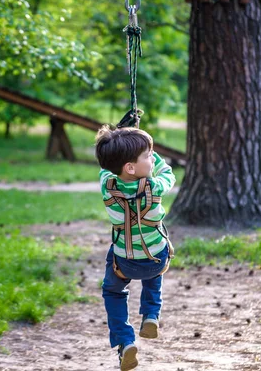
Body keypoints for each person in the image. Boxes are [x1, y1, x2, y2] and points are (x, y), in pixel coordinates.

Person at [95, 125, 176, 371]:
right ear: (131, 167)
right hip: (155, 259)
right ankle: (151, 315)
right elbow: (168, 172)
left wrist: (127, 139)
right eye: (147, 156)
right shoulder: (156, 186)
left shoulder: (107, 186)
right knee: (155, 271)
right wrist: (151, 151)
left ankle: (124, 339)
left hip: (124, 261)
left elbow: (105, 165)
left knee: (113, 292)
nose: (152, 158)